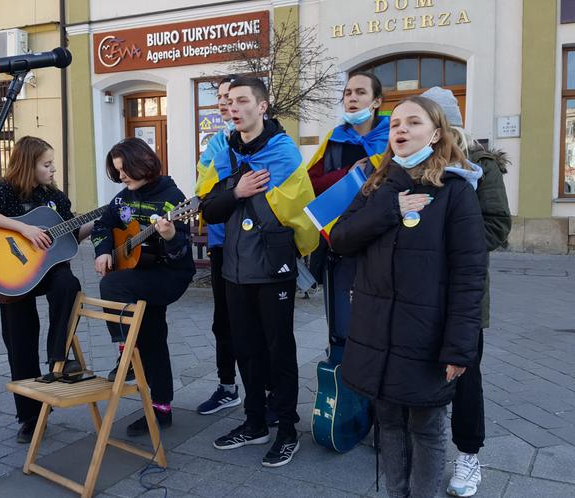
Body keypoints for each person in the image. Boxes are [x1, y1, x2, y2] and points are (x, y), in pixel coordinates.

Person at [330, 96, 488, 497]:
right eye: (396, 123)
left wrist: (459, 347)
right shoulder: (377, 184)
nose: (400, 129)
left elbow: (470, 276)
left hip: (426, 334)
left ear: (436, 134)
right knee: (389, 425)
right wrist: (390, 207)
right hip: (377, 332)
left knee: (426, 427)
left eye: (413, 123)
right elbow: (342, 239)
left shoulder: (456, 190)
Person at [201, 76, 319, 467]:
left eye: (242, 101)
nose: (232, 108)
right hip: (235, 268)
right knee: (246, 350)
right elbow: (210, 208)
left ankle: (286, 428)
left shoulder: (284, 152)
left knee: (278, 351)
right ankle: (254, 423)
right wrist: (236, 191)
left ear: (262, 107)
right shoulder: (226, 150)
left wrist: (234, 192)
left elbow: (293, 209)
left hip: (272, 268)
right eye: (229, 102)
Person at [0, 136, 92, 443]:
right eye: (47, 165)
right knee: (20, 340)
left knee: (69, 284)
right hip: (13, 275)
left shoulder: (55, 196)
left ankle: (57, 358)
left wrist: (100, 223)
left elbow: (72, 233)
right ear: (28, 164)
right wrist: (23, 228)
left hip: (49, 271)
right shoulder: (5, 192)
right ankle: (30, 417)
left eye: (53, 164)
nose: (52, 170)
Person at [422, 86, 512, 497]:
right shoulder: (413, 163)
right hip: (417, 291)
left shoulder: (481, 164)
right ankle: (422, 447)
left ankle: (469, 456)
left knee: (465, 375)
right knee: (419, 368)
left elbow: (497, 226)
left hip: (463, 292)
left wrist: (449, 243)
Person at [92, 137, 195, 437]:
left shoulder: (173, 199)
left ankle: (126, 351)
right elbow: (102, 226)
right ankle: (161, 411)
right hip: (140, 274)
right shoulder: (123, 198)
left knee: (112, 285)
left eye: (124, 170)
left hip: (169, 275)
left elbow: (182, 252)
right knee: (153, 336)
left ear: (143, 164)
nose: (121, 176)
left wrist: (171, 234)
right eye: (117, 171)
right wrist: (103, 250)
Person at [307, 71, 389, 284]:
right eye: (347, 93)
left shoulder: (393, 139)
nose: (352, 98)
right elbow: (309, 185)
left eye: (361, 92)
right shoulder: (334, 139)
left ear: (376, 101)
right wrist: (345, 175)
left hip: (381, 238)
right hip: (340, 238)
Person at [194, 76, 242, 415]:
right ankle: (227, 387)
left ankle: (266, 393)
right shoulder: (217, 143)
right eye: (221, 97)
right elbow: (204, 187)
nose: (224, 103)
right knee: (222, 320)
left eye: (231, 96)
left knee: (254, 323)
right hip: (221, 241)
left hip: (253, 244)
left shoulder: (263, 139)